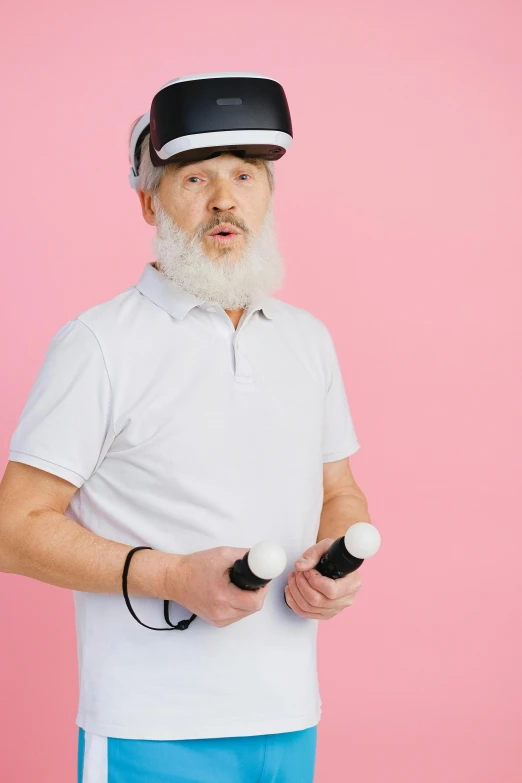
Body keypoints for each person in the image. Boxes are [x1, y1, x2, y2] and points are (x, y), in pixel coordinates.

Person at [0, 104, 371, 783]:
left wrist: (333, 560)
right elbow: (11, 529)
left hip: (289, 718)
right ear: (149, 201)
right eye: (195, 178)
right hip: (153, 728)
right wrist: (172, 577)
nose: (226, 198)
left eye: (246, 175)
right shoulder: (99, 343)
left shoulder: (307, 339)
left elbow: (338, 490)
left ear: (269, 195)